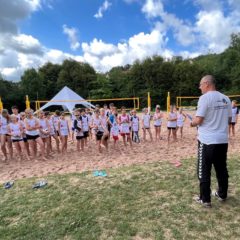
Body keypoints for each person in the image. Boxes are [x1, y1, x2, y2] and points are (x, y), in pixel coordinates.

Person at [190, 75, 232, 208]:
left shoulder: (204, 98)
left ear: (207, 84)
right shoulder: (226, 98)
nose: (199, 87)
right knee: (221, 169)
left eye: (200, 84)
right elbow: (229, 120)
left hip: (207, 140)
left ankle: (205, 199)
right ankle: (222, 194)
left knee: (204, 170)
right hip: (222, 140)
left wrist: (192, 123)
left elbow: (198, 120)